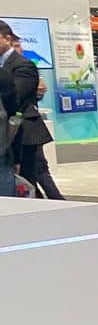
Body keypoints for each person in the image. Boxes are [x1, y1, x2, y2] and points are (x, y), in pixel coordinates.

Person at [0, 22, 63, 197]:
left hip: (25, 133)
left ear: (7, 38)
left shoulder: (23, 65)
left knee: (33, 178)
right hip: (7, 135)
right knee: (29, 186)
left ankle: (62, 207)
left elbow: (16, 97)